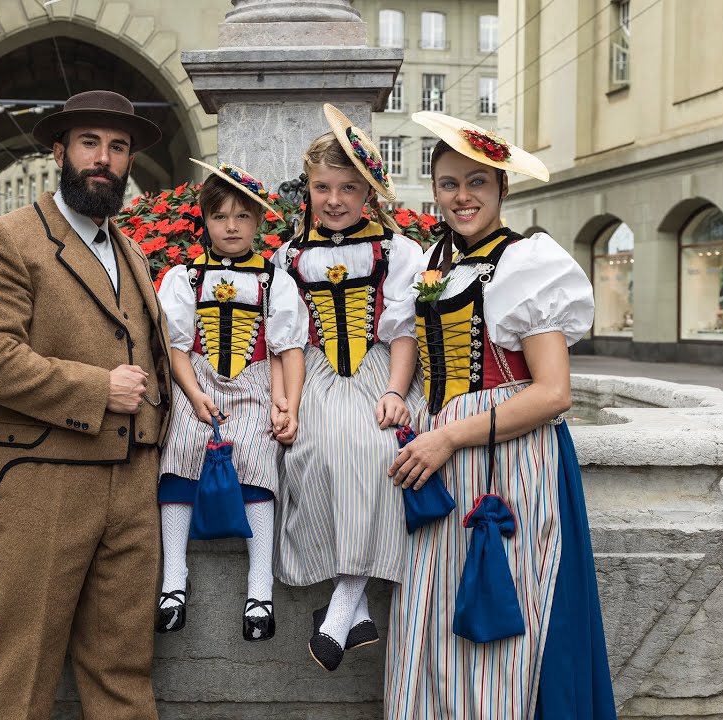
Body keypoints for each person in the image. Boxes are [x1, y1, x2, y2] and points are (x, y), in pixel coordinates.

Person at [383, 111, 616, 719]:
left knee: (497, 621)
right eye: (449, 183)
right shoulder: (431, 262)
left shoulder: (525, 263)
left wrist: (448, 437)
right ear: (432, 189)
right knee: (431, 618)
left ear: (502, 189)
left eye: (478, 183)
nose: (463, 197)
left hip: (505, 464)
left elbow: (553, 393)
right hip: (443, 464)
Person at [0, 89, 172, 720]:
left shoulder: (130, 249)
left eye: (118, 146)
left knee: (124, 672)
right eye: (89, 143)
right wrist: (96, 389)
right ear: (59, 151)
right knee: (23, 674)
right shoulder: (4, 239)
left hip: (133, 485)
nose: (103, 159)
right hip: (43, 480)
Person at [272, 104, 426, 672]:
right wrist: (286, 401)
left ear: (367, 193)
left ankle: (341, 604)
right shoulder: (288, 257)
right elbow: (285, 340)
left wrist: (394, 389)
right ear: (306, 189)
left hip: (379, 369)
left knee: (379, 447)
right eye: (322, 187)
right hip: (314, 369)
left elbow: (404, 332)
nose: (334, 199)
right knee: (309, 450)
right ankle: (354, 604)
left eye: (347, 187)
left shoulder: (396, 251)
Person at [154, 159, 308, 642]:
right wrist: (194, 394)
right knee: (180, 445)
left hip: (256, 380)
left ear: (259, 222)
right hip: (196, 379)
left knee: (258, 453)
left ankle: (259, 587)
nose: (232, 226)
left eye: (243, 216)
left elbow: (287, 349)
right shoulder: (184, 277)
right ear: (204, 222)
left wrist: (286, 405)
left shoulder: (274, 280)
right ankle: (174, 580)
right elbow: (176, 349)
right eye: (221, 216)